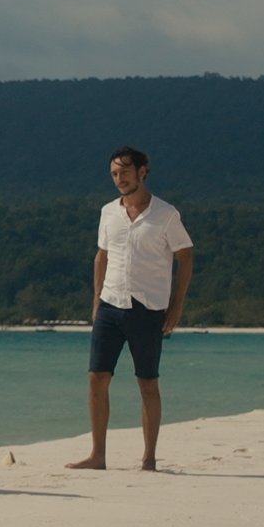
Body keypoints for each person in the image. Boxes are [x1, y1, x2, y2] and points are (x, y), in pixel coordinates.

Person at [70, 145, 195, 472]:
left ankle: (149, 458)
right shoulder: (108, 212)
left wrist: (176, 306)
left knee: (147, 381)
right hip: (110, 305)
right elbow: (102, 256)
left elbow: (186, 256)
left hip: (148, 308)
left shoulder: (166, 214)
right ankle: (98, 455)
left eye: (125, 170)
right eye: (114, 173)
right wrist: (96, 300)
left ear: (143, 171)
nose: (119, 178)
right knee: (97, 377)